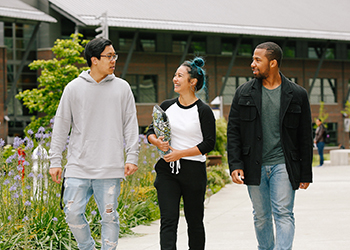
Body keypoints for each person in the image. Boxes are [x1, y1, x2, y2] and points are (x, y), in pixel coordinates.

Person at [48, 38, 139, 250]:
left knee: (109, 217)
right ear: (94, 60)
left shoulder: (122, 88)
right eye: (109, 56)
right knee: (71, 213)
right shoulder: (73, 88)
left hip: (110, 166)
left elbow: (131, 124)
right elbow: (61, 126)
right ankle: (87, 247)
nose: (113, 60)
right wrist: (55, 161)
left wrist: (132, 156)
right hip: (78, 165)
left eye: (114, 56)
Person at [227, 42, 313, 250]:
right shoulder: (243, 92)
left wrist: (305, 173)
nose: (252, 64)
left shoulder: (297, 94)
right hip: (253, 165)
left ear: (273, 63)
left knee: (283, 213)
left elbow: (304, 136)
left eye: (258, 60)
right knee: (262, 216)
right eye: (253, 59)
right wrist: (235, 164)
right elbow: (234, 132)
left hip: (283, 164)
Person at [146, 57, 216, 250]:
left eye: (180, 75)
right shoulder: (167, 106)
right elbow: (150, 131)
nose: (174, 79)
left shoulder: (203, 111)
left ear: (192, 82)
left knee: (194, 222)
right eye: (174, 75)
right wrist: (157, 142)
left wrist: (181, 153)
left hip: (194, 172)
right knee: (168, 220)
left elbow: (209, 143)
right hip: (167, 171)